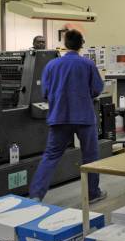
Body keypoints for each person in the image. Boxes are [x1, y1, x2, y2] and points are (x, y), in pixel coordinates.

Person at [29, 29, 107, 203]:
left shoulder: (51, 65)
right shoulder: (87, 64)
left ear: (65, 44)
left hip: (59, 117)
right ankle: (92, 194)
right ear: (81, 45)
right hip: (84, 118)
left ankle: (35, 195)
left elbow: (45, 92)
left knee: (50, 156)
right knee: (90, 157)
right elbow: (97, 89)